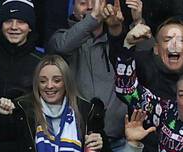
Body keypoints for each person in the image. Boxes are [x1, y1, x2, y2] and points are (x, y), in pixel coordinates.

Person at [45, 0, 126, 143]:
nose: (90, 7)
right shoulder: (62, 37)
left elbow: (144, 55)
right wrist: (93, 18)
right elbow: (61, 47)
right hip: (75, 140)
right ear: (73, 9)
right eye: (83, 3)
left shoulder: (117, 38)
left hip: (118, 140)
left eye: (96, 3)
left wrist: (121, 27)